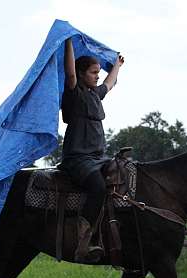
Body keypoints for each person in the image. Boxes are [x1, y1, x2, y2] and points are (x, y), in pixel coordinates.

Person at [58, 37, 124, 262]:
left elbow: (111, 82)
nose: (98, 76)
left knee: (124, 174)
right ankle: (82, 244)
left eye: (98, 72)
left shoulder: (96, 95)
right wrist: (67, 42)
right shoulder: (74, 93)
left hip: (99, 158)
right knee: (97, 187)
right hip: (78, 159)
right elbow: (70, 74)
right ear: (82, 73)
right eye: (94, 72)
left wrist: (117, 64)